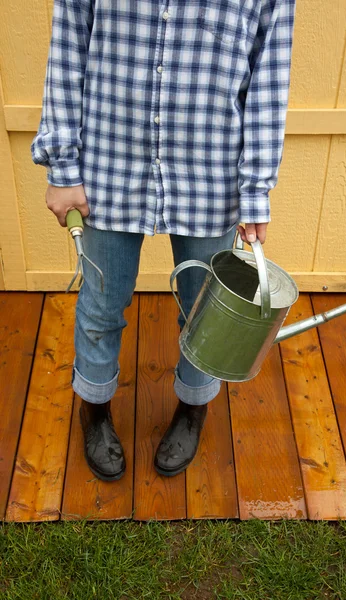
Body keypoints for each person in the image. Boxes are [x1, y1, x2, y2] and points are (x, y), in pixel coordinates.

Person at [31, 0, 297, 481]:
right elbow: (68, 46)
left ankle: (193, 408)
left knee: (207, 312)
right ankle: (93, 406)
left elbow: (268, 79)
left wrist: (256, 189)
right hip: (107, 162)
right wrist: (62, 165)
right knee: (100, 303)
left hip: (210, 168)